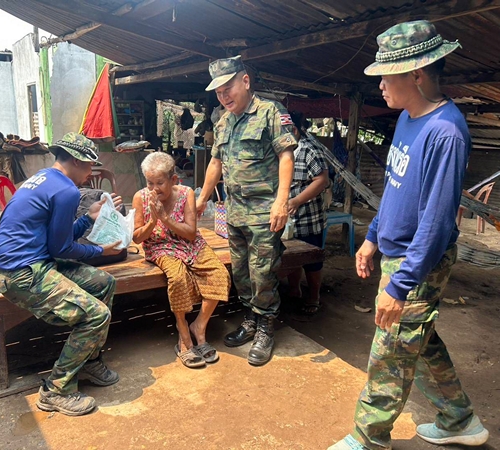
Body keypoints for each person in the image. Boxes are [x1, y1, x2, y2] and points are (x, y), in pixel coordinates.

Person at [329, 21, 489, 449]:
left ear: (416, 74)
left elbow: (436, 223)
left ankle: (368, 438)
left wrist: (400, 285)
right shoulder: (407, 118)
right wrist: (372, 237)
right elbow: (396, 189)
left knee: (390, 352)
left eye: (386, 75)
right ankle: (459, 419)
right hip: (397, 253)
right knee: (418, 340)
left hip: (419, 262)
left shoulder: (446, 132)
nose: (380, 85)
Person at [0, 132, 123, 417]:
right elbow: (62, 249)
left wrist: (88, 218)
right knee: (96, 315)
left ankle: (89, 360)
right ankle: (56, 390)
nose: (90, 172)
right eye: (89, 165)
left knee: (104, 282)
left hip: (35, 260)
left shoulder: (44, 179)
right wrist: (101, 251)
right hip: (21, 273)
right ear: (76, 160)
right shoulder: (66, 191)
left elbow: (56, 241)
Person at [196, 55, 297, 366]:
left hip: (265, 212)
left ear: (245, 81)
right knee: (241, 272)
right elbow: (216, 162)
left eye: (228, 88)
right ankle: (251, 318)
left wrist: (282, 201)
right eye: (218, 92)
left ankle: (266, 326)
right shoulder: (223, 121)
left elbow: (286, 156)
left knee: (263, 271)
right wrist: (202, 199)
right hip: (235, 212)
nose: (224, 96)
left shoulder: (270, 112)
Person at [132, 152, 230, 368]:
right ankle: (183, 331)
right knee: (178, 278)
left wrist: (165, 219)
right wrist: (153, 222)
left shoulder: (186, 194)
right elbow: (137, 238)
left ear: (173, 179)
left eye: (160, 183)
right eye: (150, 183)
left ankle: (199, 326)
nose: (154, 189)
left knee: (219, 273)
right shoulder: (141, 197)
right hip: (160, 246)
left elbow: (191, 234)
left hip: (190, 244)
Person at [286, 112, 329, 315]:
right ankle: (294, 290)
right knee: (291, 257)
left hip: (308, 218)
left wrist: (296, 200)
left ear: (294, 130)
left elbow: (322, 181)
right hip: (289, 218)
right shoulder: (284, 151)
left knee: (312, 260)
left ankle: (314, 297)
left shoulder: (310, 150)